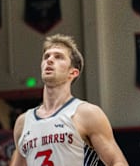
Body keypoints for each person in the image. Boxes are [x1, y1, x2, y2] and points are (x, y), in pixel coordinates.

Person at [9, 34, 128, 166]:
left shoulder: (87, 114)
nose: (49, 60)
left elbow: (117, 162)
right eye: (46, 56)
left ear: (73, 72)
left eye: (58, 57)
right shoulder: (23, 122)